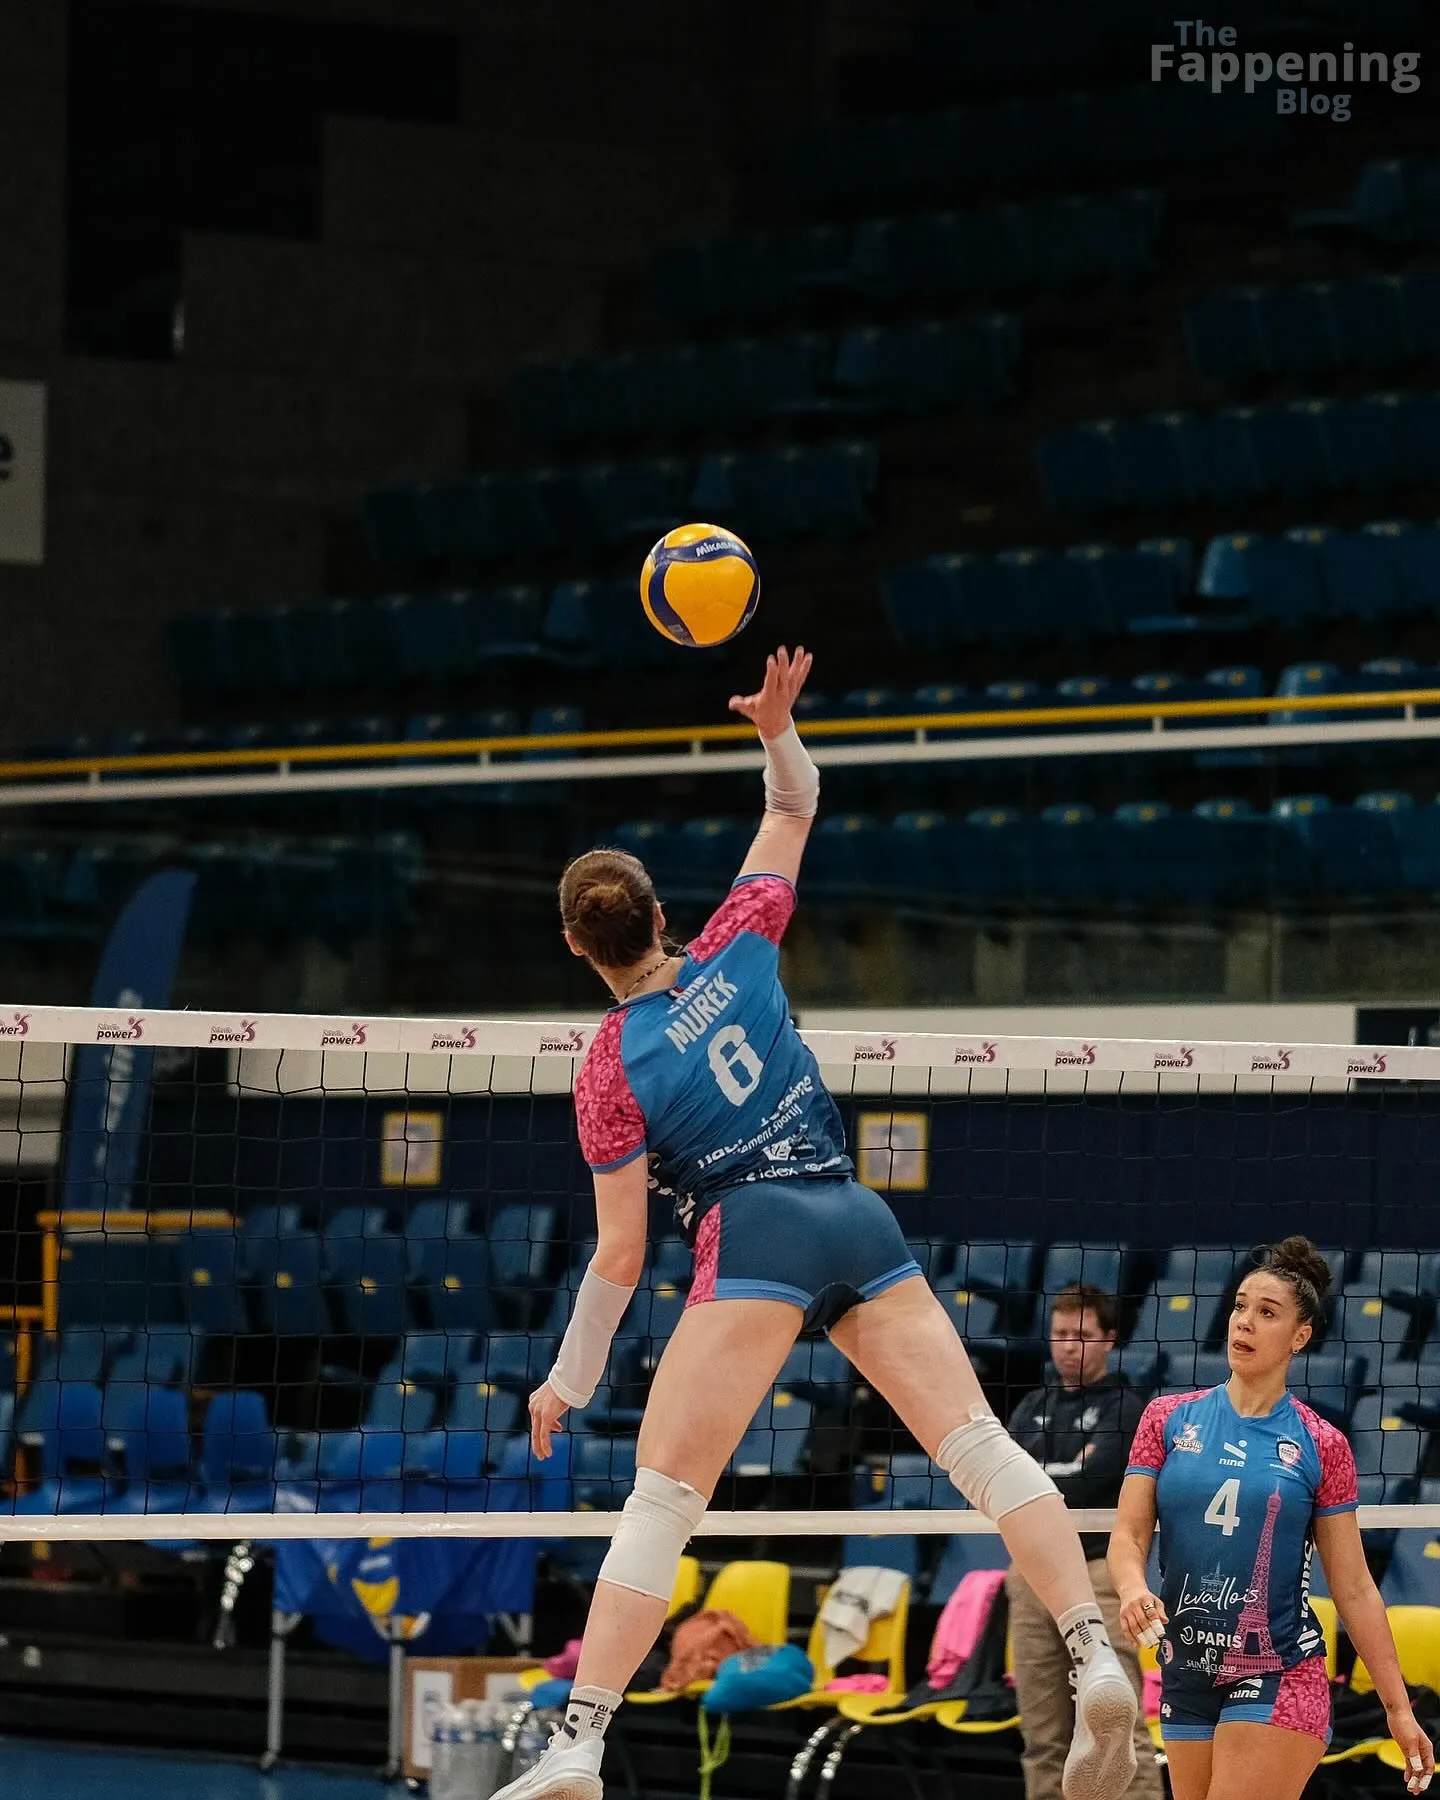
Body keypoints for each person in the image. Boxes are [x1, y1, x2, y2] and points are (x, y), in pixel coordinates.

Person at [490, 645, 1140, 1800]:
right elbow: (794, 804)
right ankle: (1094, 1653)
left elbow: (622, 1255)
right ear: (661, 916)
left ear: (578, 947)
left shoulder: (607, 1069)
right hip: (855, 1216)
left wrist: (567, 1383)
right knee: (984, 1450)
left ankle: (579, 1744)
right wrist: (774, 727)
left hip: (756, 1235)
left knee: (662, 1501)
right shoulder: (739, 947)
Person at [1108, 1237, 1435, 1800]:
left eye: (1267, 1313)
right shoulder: (1166, 1418)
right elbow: (1129, 1534)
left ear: (1300, 1336)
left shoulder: (1320, 1443)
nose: (1245, 1322)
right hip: (1187, 1668)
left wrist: (1398, 1709)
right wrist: (1132, 1587)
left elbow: (1354, 1587)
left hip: (1280, 1668)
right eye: (1240, 1306)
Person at [1006, 1285, 1164, 1800]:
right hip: (1032, 1576)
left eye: (1082, 1336)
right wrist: (1063, 1474)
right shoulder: (1032, 1405)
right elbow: (1004, 1482)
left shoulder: (1127, 1409)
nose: (1068, 1347)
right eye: (1059, 1334)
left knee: (1120, 1727)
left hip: (1099, 1574)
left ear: (1109, 1340)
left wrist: (1042, 1480)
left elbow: (1090, 1483)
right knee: (1042, 1736)